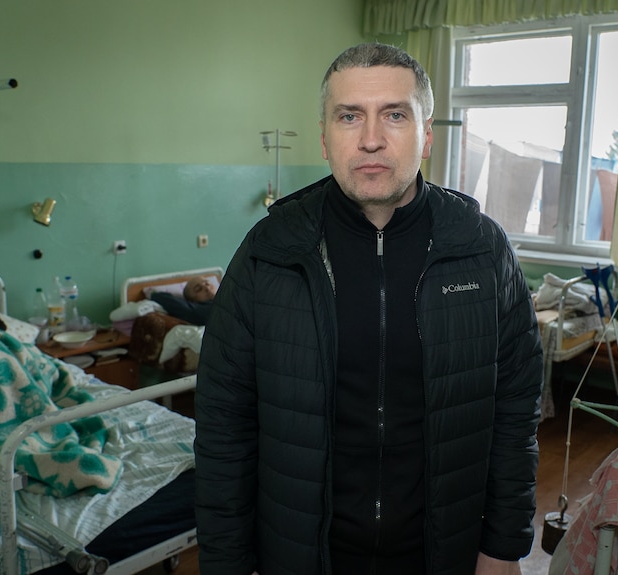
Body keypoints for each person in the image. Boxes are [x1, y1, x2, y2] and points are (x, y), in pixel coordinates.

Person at [194, 42, 544, 575]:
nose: (372, 138)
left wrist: (502, 547)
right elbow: (223, 426)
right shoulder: (271, 251)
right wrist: (227, 562)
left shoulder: (479, 247)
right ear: (325, 138)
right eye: (349, 116)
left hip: (444, 552)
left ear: (427, 135)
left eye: (395, 115)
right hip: (302, 555)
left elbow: (516, 411)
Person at [148, 275, 216, 325]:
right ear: (192, 301)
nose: (207, 288)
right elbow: (158, 296)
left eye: (207, 283)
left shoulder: (224, 296)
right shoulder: (196, 310)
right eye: (198, 289)